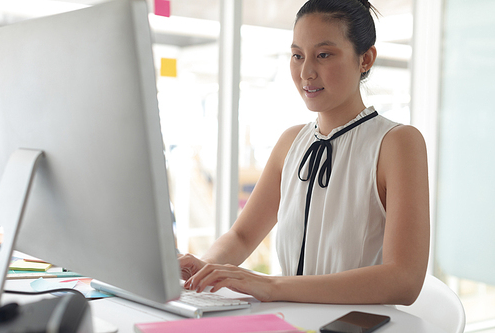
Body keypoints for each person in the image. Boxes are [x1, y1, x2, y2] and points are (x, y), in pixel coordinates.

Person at [179, 0, 429, 306]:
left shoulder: (397, 143)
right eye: (297, 55)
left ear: (365, 59)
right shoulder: (291, 141)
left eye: (323, 55)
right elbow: (242, 237)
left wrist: (270, 285)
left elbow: (404, 279)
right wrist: (203, 269)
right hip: (291, 321)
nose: (306, 72)